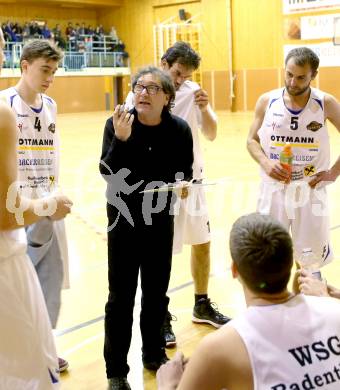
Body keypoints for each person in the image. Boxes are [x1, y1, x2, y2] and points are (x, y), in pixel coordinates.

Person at [157, 213, 340, 390]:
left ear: (234, 270)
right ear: (291, 262)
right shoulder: (333, 309)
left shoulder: (220, 347)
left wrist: (167, 385)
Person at [125, 41, 229, 348]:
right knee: (159, 252)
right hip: (160, 187)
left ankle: (201, 303)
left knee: (202, 243)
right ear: (164, 62)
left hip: (192, 182)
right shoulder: (142, 92)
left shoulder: (192, 91)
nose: (180, 79)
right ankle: (160, 313)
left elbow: (211, 133)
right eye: (177, 72)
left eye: (185, 75)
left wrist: (205, 108)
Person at [100, 66, 194, 390]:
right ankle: (116, 372)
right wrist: (122, 141)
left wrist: (183, 183)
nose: (142, 93)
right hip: (124, 223)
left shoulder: (179, 129)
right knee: (121, 298)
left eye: (152, 88)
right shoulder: (118, 125)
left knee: (156, 295)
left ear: (167, 97)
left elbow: (185, 169)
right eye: (139, 86)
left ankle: (153, 355)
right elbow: (107, 172)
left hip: (159, 223)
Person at [0, 29, 71, 389]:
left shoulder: (52, 107)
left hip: (47, 203)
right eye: (44, 70)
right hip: (20, 207)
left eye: (54, 71)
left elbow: (53, 153)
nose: (49, 78)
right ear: (24, 65)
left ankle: (46, 342)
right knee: (22, 283)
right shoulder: (5, 105)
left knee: (51, 280)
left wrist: (55, 195)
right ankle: (29, 351)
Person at [247, 47, 340, 267]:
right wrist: (266, 162)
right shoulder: (267, 100)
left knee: (309, 263)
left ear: (313, 76)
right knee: (267, 259)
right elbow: (251, 140)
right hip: (273, 190)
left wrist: (334, 172)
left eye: (300, 77)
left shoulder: (325, 102)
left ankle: (305, 300)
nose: (292, 82)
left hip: (310, 190)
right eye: (289, 74)